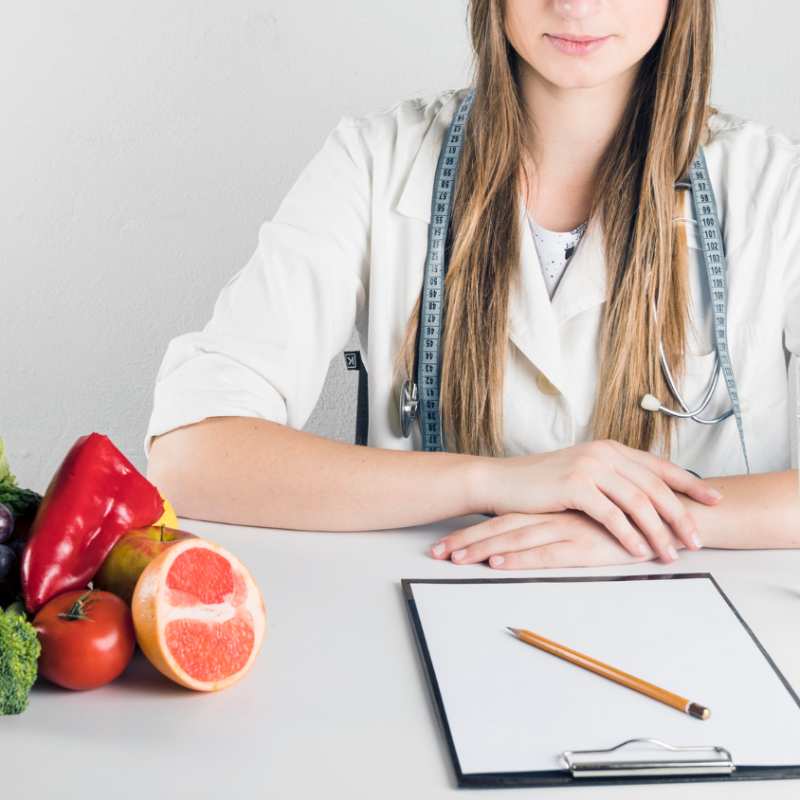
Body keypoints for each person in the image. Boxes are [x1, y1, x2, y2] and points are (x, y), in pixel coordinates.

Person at [144, 0, 800, 569]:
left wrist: (630, 525)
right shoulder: (373, 162)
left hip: (706, 645)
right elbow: (192, 455)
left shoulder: (777, 188)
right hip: (438, 624)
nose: (575, 5)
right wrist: (495, 482)